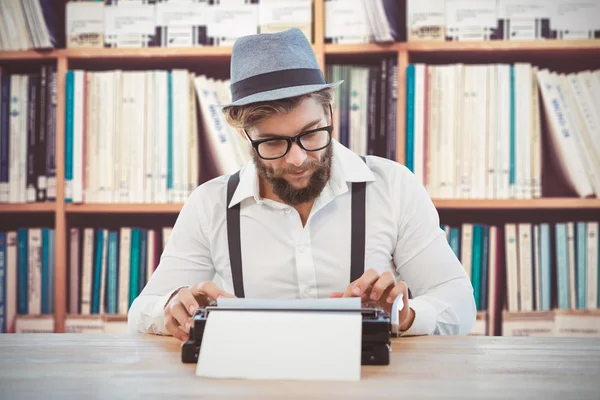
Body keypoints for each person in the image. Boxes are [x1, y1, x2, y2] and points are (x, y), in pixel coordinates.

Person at [128, 28, 476, 341]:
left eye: (310, 134)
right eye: (273, 143)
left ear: (329, 113)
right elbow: (142, 311)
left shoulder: (394, 187)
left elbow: (458, 303)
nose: (296, 159)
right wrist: (172, 307)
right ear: (245, 136)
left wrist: (407, 315)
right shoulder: (209, 205)